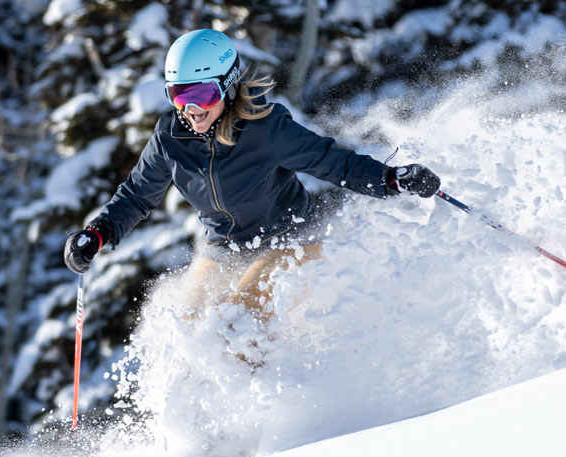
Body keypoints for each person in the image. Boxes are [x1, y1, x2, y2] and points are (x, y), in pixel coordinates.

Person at [64, 29, 440, 320]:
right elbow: (136, 196)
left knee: (235, 321)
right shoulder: (170, 137)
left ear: (228, 85)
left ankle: (265, 414)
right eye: (179, 95)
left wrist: (392, 180)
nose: (192, 109)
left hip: (290, 240)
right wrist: (98, 233)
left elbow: (334, 163)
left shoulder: (265, 128)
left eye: (203, 94)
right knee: (189, 328)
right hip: (224, 250)